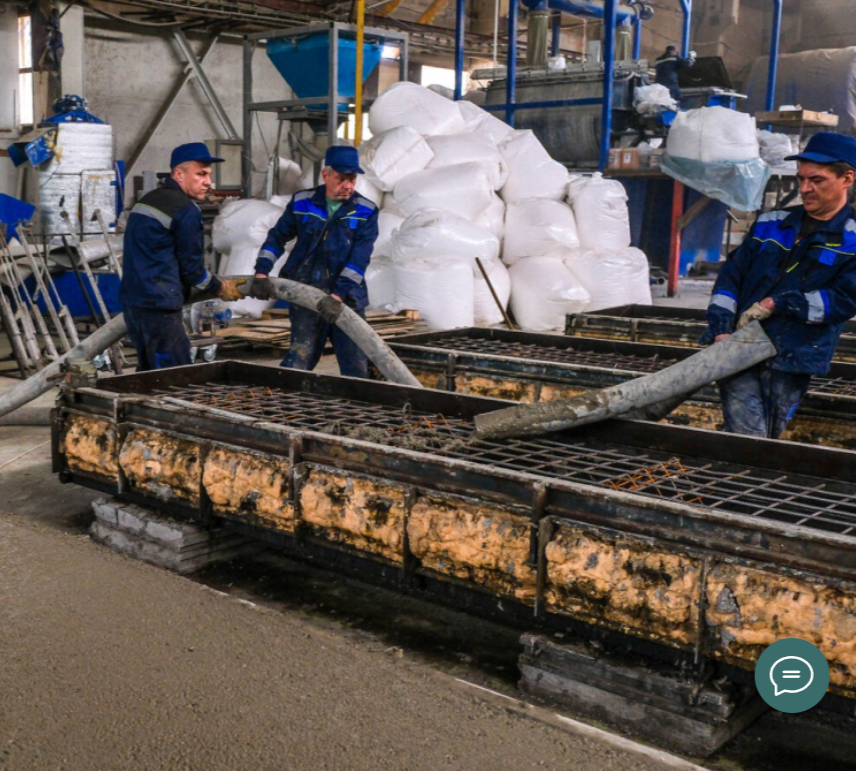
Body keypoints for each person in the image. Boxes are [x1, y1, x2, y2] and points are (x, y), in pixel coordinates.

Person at [700, 131, 856, 438]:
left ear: (847, 179)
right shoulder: (770, 223)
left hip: (795, 356)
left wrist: (779, 303)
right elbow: (732, 275)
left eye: (817, 180)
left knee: (768, 437)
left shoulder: (852, 239)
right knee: (747, 436)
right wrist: (721, 328)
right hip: (738, 345)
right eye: (801, 179)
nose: (805, 189)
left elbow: (844, 300)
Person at [253, 145, 379, 378]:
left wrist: (338, 295)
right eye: (341, 178)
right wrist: (261, 272)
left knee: (356, 365)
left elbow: (359, 258)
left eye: (352, 179)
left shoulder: (365, 210)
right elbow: (277, 237)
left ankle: (355, 401)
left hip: (346, 299)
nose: (348, 185)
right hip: (306, 293)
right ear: (325, 175)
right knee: (301, 358)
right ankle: (282, 398)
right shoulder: (302, 202)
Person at [120, 142, 243, 371]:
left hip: (133, 303)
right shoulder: (186, 210)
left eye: (208, 175)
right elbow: (192, 270)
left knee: (147, 372)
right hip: (160, 306)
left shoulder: (146, 200)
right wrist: (219, 287)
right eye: (201, 174)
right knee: (176, 374)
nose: (208, 182)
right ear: (179, 174)